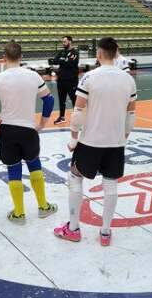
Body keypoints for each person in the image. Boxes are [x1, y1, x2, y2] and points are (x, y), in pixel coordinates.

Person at [54, 37, 136, 246]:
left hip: (90, 142)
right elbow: (130, 115)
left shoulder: (89, 77)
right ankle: (106, 232)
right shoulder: (128, 80)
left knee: (75, 178)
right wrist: (123, 137)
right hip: (115, 144)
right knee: (111, 185)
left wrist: (73, 137)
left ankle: (73, 228)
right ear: (116, 54)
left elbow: (79, 111)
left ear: (99, 54)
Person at [0, 42, 58, 224]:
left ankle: (19, 214)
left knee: (13, 168)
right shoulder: (33, 76)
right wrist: (42, 123)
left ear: (4, 58)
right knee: (34, 164)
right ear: (21, 57)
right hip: (29, 129)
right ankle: (44, 207)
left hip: (7, 129)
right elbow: (49, 100)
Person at [51, 36, 79, 125]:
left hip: (71, 80)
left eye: (65, 42)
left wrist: (61, 60)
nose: (63, 43)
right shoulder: (62, 52)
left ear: (70, 42)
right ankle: (62, 117)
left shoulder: (75, 52)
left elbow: (69, 63)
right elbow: (54, 61)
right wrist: (63, 60)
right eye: (62, 42)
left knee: (74, 99)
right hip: (61, 80)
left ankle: (77, 118)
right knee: (61, 100)